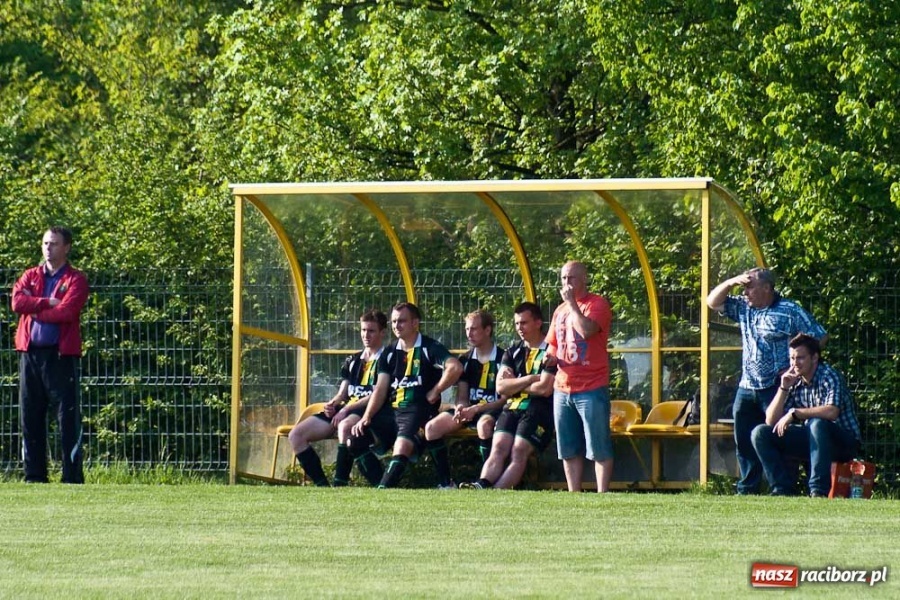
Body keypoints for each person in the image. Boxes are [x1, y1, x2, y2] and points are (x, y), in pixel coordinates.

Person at [706, 267, 827, 495]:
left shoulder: (789, 310)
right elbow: (711, 302)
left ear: (767, 288)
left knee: (776, 435)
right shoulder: (743, 308)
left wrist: (796, 365)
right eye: (743, 288)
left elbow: (819, 336)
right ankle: (747, 488)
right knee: (744, 440)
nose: (745, 292)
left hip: (775, 387)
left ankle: (782, 487)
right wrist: (732, 281)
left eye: (749, 287)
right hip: (747, 386)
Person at [351, 302, 463, 488]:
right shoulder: (389, 352)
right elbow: (380, 389)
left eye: (402, 321)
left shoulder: (429, 347)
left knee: (402, 447)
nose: (396, 325)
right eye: (394, 321)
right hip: (391, 410)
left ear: (415, 323)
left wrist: (435, 391)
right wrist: (367, 416)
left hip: (417, 410)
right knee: (354, 438)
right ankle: (382, 484)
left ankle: (384, 491)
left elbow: (455, 367)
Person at [12, 227, 90, 484]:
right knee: (30, 415)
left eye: (54, 243)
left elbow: (67, 312)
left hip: (60, 356)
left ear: (66, 247)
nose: (48, 248)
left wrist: (34, 308)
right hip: (30, 355)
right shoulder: (30, 275)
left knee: (67, 417)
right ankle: (34, 476)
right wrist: (46, 303)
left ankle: (71, 477)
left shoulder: (76, 279)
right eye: (45, 243)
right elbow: (17, 303)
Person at [750, 334, 861, 497]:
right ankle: (782, 489)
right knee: (760, 433)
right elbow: (771, 420)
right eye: (792, 358)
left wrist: (795, 414)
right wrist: (783, 388)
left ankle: (818, 490)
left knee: (817, 423)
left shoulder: (829, 375)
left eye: (800, 358)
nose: (795, 363)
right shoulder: (794, 380)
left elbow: (832, 412)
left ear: (814, 358)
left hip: (844, 443)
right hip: (814, 440)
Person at [460, 302, 556, 490]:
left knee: (518, 451)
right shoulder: (513, 351)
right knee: (498, 448)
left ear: (538, 323)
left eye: (524, 323)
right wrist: (530, 379)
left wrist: (515, 384)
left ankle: (497, 492)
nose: (520, 328)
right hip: (512, 408)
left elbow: (544, 389)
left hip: (539, 410)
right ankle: (481, 485)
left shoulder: (551, 351)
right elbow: (501, 387)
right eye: (517, 323)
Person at [289, 309, 388, 486]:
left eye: (371, 331)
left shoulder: (388, 359)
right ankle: (322, 486)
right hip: (346, 410)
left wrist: (347, 409)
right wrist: (333, 404)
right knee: (296, 435)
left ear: (382, 333)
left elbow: (378, 394)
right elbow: (343, 392)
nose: (366, 335)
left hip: (370, 411)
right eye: (363, 330)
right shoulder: (353, 360)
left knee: (345, 426)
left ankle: (339, 484)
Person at [545, 261, 614, 492]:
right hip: (563, 387)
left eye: (571, 278)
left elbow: (586, 331)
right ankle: (574, 494)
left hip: (592, 387)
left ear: (584, 279)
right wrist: (550, 357)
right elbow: (553, 344)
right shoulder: (559, 311)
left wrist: (573, 305)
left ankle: (602, 494)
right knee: (568, 448)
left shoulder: (597, 304)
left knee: (598, 446)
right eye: (563, 278)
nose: (567, 283)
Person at [424, 309, 505, 489]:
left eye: (474, 329)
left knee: (484, 426)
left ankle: (487, 482)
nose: (469, 333)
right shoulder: (465, 360)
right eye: (467, 329)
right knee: (431, 428)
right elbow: (462, 396)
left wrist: (476, 409)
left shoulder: (503, 358)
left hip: (492, 410)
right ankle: (446, 484)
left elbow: (505, 400)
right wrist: (461, 407)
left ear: (487, 330)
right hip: (470, 410)